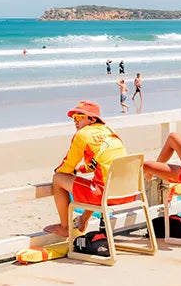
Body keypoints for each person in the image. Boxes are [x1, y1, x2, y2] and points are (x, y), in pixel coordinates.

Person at [51, 101, 126, 252]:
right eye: (74, 118)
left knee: (57, 179)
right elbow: (99, 161)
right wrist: (81, 169)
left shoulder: (82, 135)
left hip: (105, 195)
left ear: (92, 119)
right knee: (95, 181)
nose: (76, 121)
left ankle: (65, 227)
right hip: (126, 193)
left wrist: (59, 171)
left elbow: (67, 165)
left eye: (80, 117)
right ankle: (83, 221)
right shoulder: (109, 130)